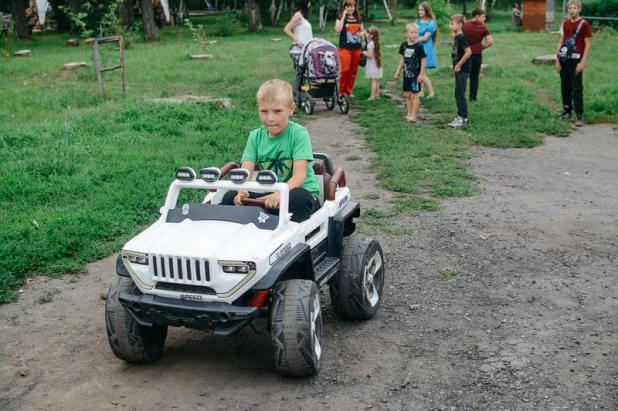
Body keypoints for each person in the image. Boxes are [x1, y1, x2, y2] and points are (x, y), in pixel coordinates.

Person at [221, 79, 320, 223]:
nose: (270, 118)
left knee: (299, 199)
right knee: (229, 197)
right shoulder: (255, 136)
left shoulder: (298, 134)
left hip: (297, 193)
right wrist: (241, 191)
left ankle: (269, 223)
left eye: (277, 111)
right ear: (258, 109)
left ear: (291, 109)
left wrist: (280, 194)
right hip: (269, 196)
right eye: (264, 111)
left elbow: (300, 176)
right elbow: (245, 173)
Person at [555, 0, 592, 127]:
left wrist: (582, 62)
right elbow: (561, 42)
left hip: (576, 59)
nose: (572, 10)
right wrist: (557, 59)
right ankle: (567, 111)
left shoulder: (584, 24)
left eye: (574, 8)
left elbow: (588, 44)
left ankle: (579, 114)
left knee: (576, 87)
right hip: (565, 59)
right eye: (570, 8)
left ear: (579, 9)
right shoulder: (565, 24)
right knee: (565, 86)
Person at [394, 23, 426, 123]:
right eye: (411, 32)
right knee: (407, 95)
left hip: (415, 75)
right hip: (406, 74)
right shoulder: (404, 45)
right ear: (406, 34)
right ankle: (409, 113)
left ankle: (414, 116)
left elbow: (423, 60)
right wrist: (398, 71)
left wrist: (421, 74)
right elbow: (402, 59)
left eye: (416, 32)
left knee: (414, 95)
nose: (414, 34)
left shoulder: (419, 46)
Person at [335, 0, 364, 99]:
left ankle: (349, 91)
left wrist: (362, 34)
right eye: (348, 6)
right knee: (345, 70)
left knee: (353, 71)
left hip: (357, 49)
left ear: (355, 7)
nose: (350, 8)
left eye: (352, 6)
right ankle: (341, 91)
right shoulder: (340, 18)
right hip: (345, 49)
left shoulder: (358, 19)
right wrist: (343, 16)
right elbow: (338, 29)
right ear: (345, 7)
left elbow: (362, 31)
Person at [284, 0, 314, 97]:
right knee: (299, 73)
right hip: (299, 50)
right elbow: (287, 29)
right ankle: (295, 96)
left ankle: (303, 96)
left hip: (307, 49)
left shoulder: (304, 17)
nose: (310, 4)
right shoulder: (298, 15)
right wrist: (297, 41)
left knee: (305, 74)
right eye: (309, 2)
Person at [463, 8, 493, 102]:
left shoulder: (465, 24)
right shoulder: (484, 28)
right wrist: (481, 47)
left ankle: (461, 97)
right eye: (483, 17)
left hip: (464, 54)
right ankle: (473, 98)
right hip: (476, 54)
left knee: (463, 75)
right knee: (474, 77)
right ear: (477, 16)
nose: (484, 19)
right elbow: (490, 42)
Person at [447, 14, 472, 128]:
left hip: (463, 69)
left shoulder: (461, 38)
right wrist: (454, 34)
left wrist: (458, 65)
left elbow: (468, 52)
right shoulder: (457, 36)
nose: (450, 25)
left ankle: (464, 118)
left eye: (452, 23)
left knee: (460, 94)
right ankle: (459, 116)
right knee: (457, 93)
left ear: (460, 25)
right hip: (459, 70)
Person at [414, 2, 438, 98]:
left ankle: (431, 92)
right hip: (417, 47)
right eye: (419, 10)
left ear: (427, 11)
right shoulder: (417, 21)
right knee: (419, 71)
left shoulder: (431, 23)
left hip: (425, 48)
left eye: (422, 10)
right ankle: (421, 92)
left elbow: (425, 38)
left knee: (421, 72)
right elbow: (413, 31)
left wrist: (413, 40)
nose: (420, 11)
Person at [363, 26, 383, 100]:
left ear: (371, 35)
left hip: (372, 65)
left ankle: (372, 96)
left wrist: (365, 53)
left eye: (368, 33)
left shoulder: (370, 44)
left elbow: (370, 55)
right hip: (376, 63)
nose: (366, 34)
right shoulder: (376, 42)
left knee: (373, 81)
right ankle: (377, 94)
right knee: (376, 80)